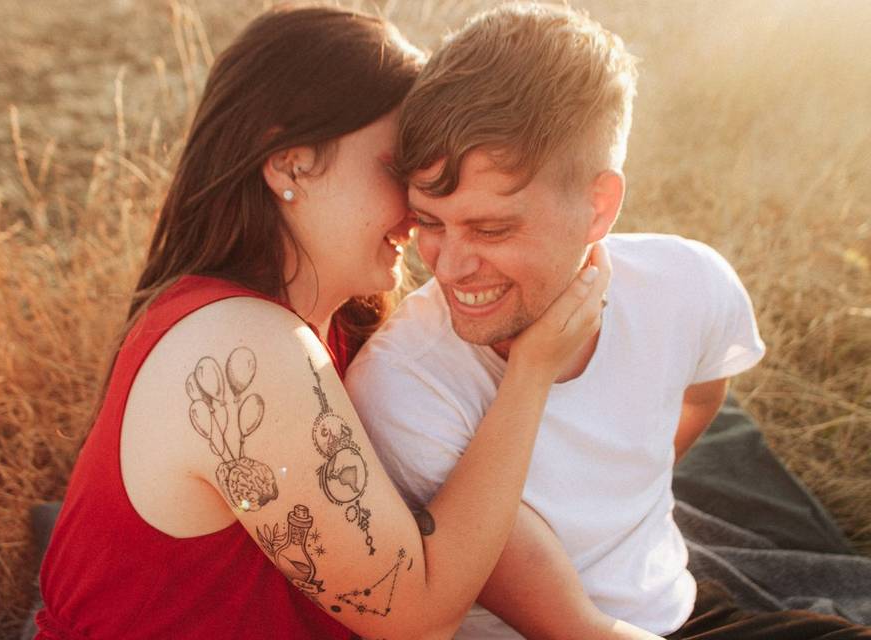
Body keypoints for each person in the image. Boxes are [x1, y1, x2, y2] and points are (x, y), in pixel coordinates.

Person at [34, 6, 612, 639]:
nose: (418, 212)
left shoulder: (327, 322)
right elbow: (417, 618)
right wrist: (531, 372)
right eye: (398, 170)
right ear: (292, 165)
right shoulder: (240, 348)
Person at [345, 4, 871, 639]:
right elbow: (569, 627)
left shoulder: (687, 283)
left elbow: (703, 396)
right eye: (430, 221)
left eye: (492, 228)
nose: (450, 267)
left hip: (682, 607)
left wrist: (625, 499)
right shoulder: (403, 387)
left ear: (598, 207)